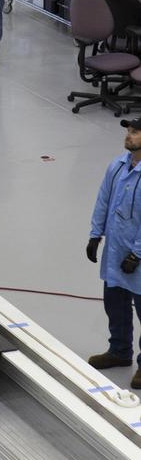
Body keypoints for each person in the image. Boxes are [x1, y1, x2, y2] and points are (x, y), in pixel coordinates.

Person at [86, 118, 141, 389]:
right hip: (116, 251)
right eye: (129, 130)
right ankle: (119, 351)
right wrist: (95, 235)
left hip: (137, 257)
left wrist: (137, 254)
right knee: (115, 303)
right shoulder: (117, 166)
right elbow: (103, 200)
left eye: (135, 132)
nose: (129, 136)